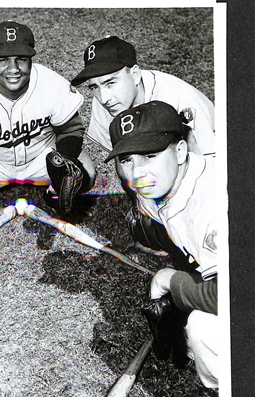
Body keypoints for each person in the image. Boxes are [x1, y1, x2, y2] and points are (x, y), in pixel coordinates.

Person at [107, 101, 220, 388]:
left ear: (180, 151)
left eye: (149, 156)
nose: (136, 173)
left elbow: (230, 296)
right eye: (126, 160)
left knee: (203, 330)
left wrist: (171, 282)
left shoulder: (211, 205)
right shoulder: (163, 183)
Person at [71, 35, 217, 256]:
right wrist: (144, 208)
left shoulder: (178, 100)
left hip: (216, 165)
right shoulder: (105, 103)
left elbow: (209, 170)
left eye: (111, 82)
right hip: (170, 168)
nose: (103, 96)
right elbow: (123, 158)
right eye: (95, 86)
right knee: (147, 226)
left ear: (135, 73)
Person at [0, 21, 91, 213]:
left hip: (42, 160)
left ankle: (55, 192)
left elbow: (71, 129)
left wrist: (63, 162)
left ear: (31, 59)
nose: (13, 68)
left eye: (21, 59)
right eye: (3, 59)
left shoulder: (50, 83)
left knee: (88, 173)